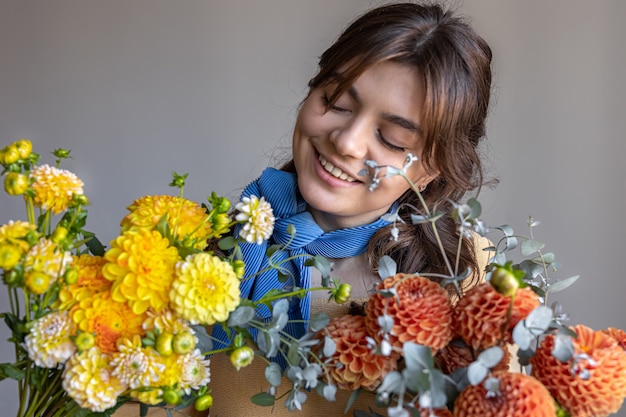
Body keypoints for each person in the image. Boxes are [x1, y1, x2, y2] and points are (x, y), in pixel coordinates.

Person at [116, 1, 494, 416]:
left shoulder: (466, 274)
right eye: (335, 101)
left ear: (429, 172)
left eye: (391, 139)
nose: (347, 142)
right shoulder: (210, 250)